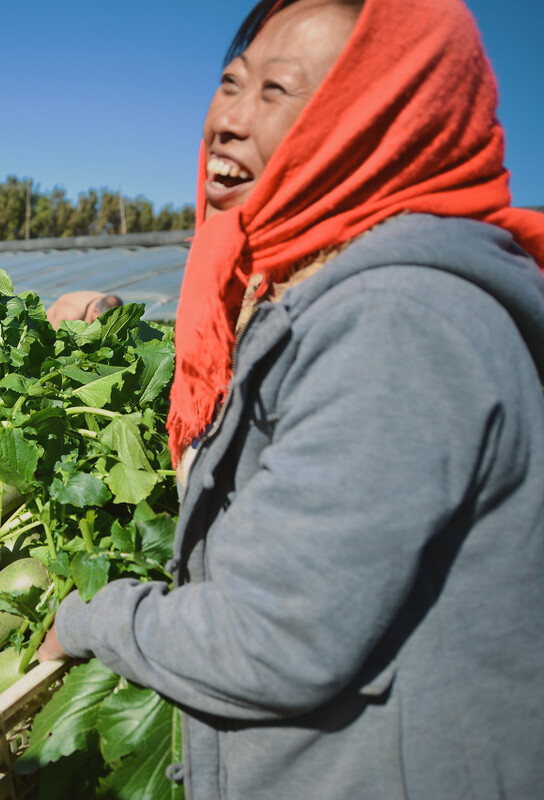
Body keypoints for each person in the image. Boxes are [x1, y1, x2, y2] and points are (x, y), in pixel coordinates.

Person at [38, 0, 544, 797]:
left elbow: (274, 634)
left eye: (278, 91)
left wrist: (91, 620)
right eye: (232, 82)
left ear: (381, 119)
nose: (229, 119)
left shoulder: (396, 320)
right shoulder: (319, 293)